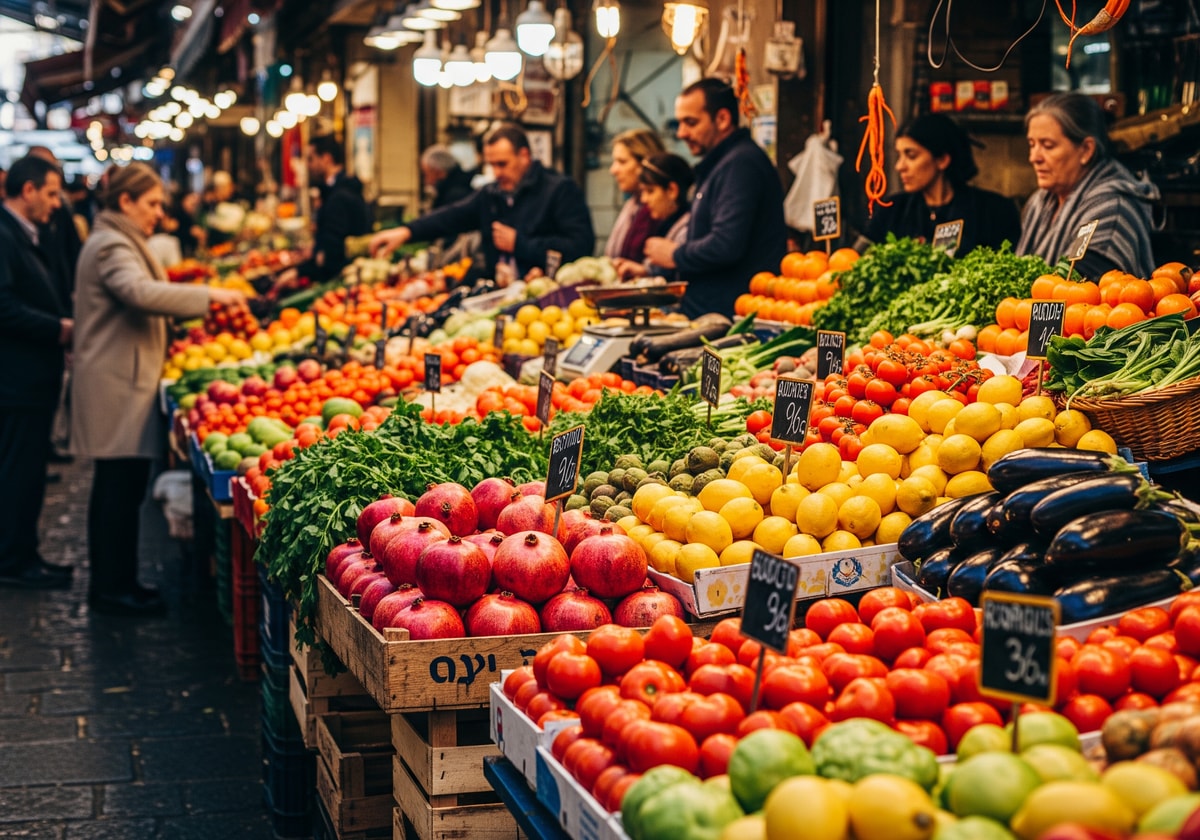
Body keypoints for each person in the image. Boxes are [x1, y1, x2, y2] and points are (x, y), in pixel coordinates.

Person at [70, 163, 245, 617]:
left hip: (123, 379)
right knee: (116, 489)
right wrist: (209, 296)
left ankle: (118, 582)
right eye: (151, 204)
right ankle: (112, 588)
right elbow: (138, 291)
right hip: (115, 383)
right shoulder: (111, 243)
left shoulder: (117, 238)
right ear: (125, 202)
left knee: (122, 488)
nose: (158, 214)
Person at [370, 123, 594, 279]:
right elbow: (452, 216)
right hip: (499, 295)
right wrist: (406, 232)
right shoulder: (491, 195)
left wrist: (520, 243)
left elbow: (580, 246)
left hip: (547, 303)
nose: (496, 172)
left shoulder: (559, 190)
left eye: (502, 164)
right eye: (491, 165)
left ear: (524, 156)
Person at [647, 79, 787, 318]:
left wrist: (675, 255)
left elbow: (725, 244)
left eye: (690, 123)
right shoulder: (719, 164)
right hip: (709, 313)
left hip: (731, 318)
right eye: (679, 123)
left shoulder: (741, 165)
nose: (681, 133)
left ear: (722, 119)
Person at [0, 155, 75, 590]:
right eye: (50, 193)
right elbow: (4, 307)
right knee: (18, 471)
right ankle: (13, 560)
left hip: (29, 379)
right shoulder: (5, 235)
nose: (56, 203)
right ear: (27, 191)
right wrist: (58, 328)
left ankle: (23, 553)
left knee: (26, 472)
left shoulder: (25, 234)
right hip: (17, 382)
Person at [1016, 92, 1158, 279]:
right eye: (1032, 144)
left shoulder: (1112, 209)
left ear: (1086, 150)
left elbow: (1080, 289)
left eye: (1048, 145)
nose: (1034, 157)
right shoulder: (1039, 202)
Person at [862, 113, 1021, 256]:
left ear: (942, 160)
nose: (900, 166)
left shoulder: (994, 211)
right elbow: (860, 258)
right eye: (899, 155)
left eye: (911, 156)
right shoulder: (891, 210)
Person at [276, 134, 372, 287]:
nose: (307, 165)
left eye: (311, 159)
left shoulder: (339, 197)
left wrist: (301, 271)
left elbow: (332, 251)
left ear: (326, 158)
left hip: (341, 280)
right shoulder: (337, 191)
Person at [614, 153, 694, 281]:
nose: (644, 199)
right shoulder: (665, 223)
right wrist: (643, 270)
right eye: (643, 192)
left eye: (650, 191)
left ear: (672, 190)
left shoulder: (688, 228)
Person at [604, 128, 666, 261]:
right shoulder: (632, 205)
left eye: (622, 162)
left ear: (644, 164)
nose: (613, 170)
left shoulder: (659, 209)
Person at [420, 145, 476, 210]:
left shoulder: (455, 196)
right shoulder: (447, 189)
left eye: (426, 174)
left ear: (438, 171)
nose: (426, 180)